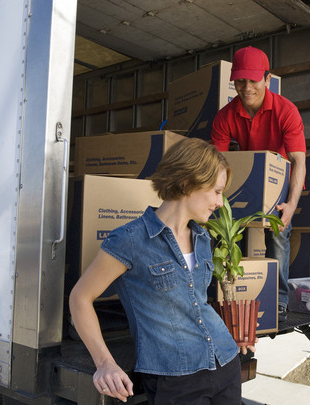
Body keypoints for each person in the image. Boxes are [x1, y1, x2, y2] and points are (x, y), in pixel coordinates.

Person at [69, 138, 253, 404]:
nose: (220, 202)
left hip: (224, 361)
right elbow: (80, 298)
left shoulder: (202, 238)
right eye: (216, 191)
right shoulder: (130, 240)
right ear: (188, 183)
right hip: (176, 378)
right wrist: (105, 363)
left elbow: (195, 303)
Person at [211, 46, 306, 321]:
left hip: (277, 185)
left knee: (278, 233)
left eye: (253, 80)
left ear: (267, 79)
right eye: (240, 80)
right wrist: (214, 200)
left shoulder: (286, 111)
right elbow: (216, 163)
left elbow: (299, 162)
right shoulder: (225, 116)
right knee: (219, 232)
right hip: (241, 181)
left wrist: (291, 205)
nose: (246, 87)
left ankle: (279, 300)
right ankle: (218, 295)